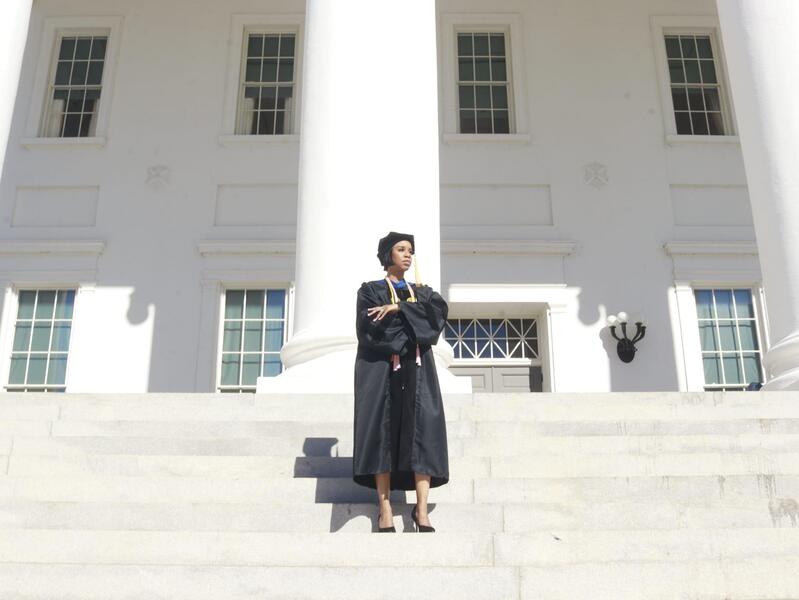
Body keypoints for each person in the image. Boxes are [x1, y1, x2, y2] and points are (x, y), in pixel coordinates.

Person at [352, 231, 450, 533]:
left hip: (417, 371)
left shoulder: (424, 292)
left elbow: (435, 321)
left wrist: (399, 309)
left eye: (410, 250)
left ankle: (421, 510)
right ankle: (385, 507)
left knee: (423, 432)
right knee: (383, 433)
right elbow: (371, 329)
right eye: (401, 249)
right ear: (387, 255)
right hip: (383, 370)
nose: (407, 255)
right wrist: (412, 322)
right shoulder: (370, 291)